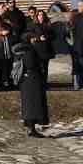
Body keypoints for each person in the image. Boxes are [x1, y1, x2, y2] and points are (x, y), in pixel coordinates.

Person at [18, 8, 55, 136]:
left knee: (32, 103)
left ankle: (31, 128)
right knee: (31, 103)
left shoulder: (30, 48)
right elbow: (30, 63)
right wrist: (36, 38)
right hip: (30, 78)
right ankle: (31, 128)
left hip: (32, 77)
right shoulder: (29, 49)